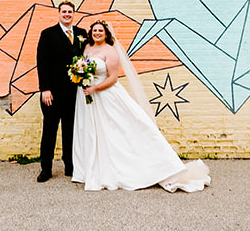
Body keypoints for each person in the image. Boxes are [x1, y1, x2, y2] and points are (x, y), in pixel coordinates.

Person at [72, 20, 210, 192]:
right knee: (94, 131)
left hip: (105, 95)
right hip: (87, 96)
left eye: (101, 30)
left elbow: (113, 78)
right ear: (91, 33)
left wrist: (95, 88)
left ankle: (149, 166)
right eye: (95, 30)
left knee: (118, 129)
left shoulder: (111, 51)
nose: (97, 33)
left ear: (106, 34)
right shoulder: (87, 48)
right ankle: (93, 168)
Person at [33, 1, 88, 182]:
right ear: (59, 13)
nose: (67, 14)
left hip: (74, 93)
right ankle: (46, 168)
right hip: (52, 93)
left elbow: (86, 59)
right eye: (64, 11)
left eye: (69, 12)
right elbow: (42, 63)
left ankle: (70, 165)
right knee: (50, 130)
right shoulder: (48, 34)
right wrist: (45, 89)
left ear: (73, 13)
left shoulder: (81, 33)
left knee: (70, 130)